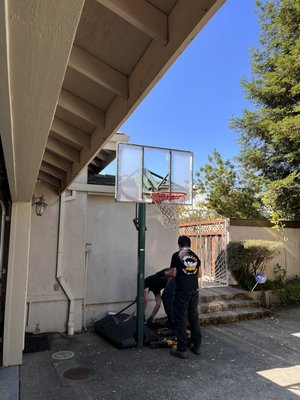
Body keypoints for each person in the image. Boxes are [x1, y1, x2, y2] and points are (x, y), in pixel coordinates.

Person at [165, 235, 202, 359]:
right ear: (189, 244)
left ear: (179, 245)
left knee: (181, 319)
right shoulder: (195, 256)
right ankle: (196, 345)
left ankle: (181, 349)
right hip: (194, 291)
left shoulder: (177, 255)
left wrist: (165, 273)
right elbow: (200, 275)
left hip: (182, 291)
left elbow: (173, 273)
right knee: (193, 317)